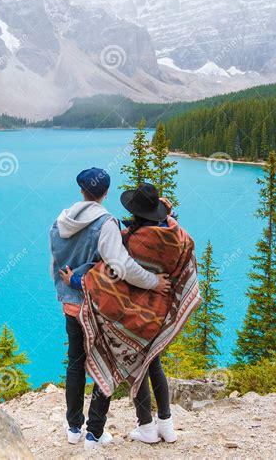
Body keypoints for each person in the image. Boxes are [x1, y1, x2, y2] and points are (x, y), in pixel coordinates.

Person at [50, 168, 171, 451]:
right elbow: (120, 266)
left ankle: (73, 427)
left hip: (69, 303)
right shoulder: (106, 223)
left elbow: (55, 262)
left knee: (75, 363)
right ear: (105, 193)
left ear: (81, 190)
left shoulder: (60, 221)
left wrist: (67, 287)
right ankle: (94, 433)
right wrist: (153, 281)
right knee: (105, 364)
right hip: (96, 305)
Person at [73, 183, 201, 446]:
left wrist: (78, 280)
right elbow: (171, 231)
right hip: (160, 311)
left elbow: (112, 270)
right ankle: (166, 425)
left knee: (137, 366)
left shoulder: (133, 240)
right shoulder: (178, 236)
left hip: (136, 316)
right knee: (153, 363)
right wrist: (167, 213)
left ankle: (144, 427)